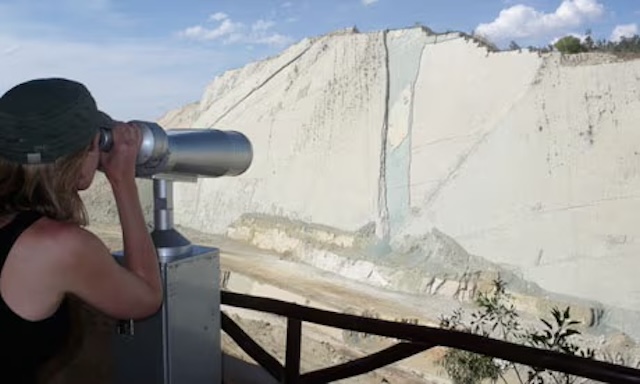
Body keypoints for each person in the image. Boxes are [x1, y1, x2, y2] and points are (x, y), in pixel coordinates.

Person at [0, 78, 163, 383]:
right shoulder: (58, 246)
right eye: (95, 142)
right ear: (81, 152)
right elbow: (146, 297)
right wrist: (122, 179)